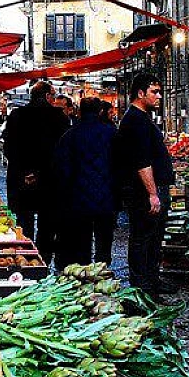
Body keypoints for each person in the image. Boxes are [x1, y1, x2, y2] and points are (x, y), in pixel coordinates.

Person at [112, 72, 176, 295]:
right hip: (143, 191)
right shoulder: (135, 120)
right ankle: (142, 285)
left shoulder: (141, 118)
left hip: (151, 188)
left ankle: (152, 279)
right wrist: (152, 193)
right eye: (154, 92)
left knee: (154, 236)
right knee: (143, 237)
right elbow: (141, 161)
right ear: (140, 93)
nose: (159, 96)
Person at [3, 81, 71, 262]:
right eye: (54, 96)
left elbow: (8, 147)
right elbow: (60, 153)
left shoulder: (16, 115)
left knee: (23, 223)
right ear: (48, 97)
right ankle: (43, 262)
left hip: (20, 180)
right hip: (48, 183)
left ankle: (24, 259)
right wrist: (39, 173)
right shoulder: (60, 118)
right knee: (47, 226)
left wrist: (25, 172)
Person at [54, 97, 117, 268]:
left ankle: (84, 272)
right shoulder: (111, 133)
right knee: (104, 239)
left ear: (79, 111)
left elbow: (62, 169)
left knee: (82, 240)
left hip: (78, 198)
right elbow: (119, 164)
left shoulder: (69, 135)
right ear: (100, 112)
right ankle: (103, 269)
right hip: (106, 196)